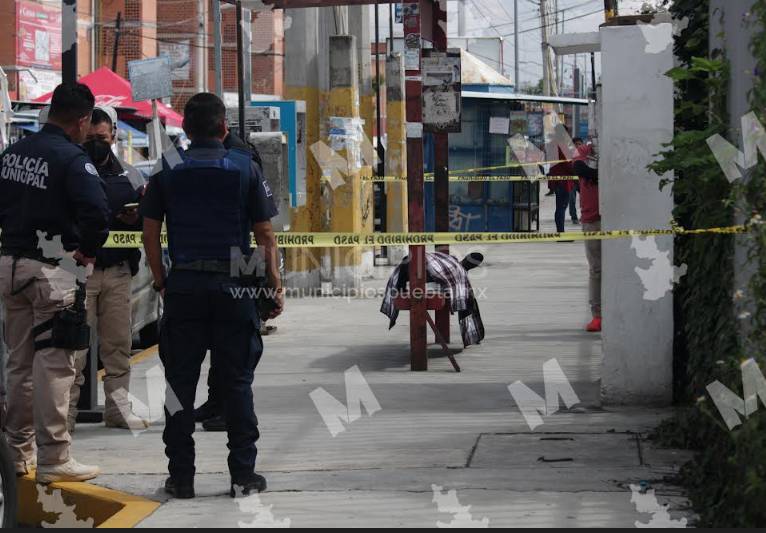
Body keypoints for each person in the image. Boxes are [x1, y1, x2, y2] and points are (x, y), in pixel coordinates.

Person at [142, 92, 282, 499]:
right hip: (234, 284)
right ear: (224, 128)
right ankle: (242, 476)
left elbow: (150, 230)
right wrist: (272, 285)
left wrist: (161, 278)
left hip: (183, 285)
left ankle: (181, 478)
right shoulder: (244, 166)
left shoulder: (167, 165)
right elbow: (265, 236)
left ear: (185, 129)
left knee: (179, 385)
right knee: (237, 382)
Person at [0, 83, 110, 483]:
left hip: (10, 267)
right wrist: (87, 251)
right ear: (82, 120)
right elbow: (98, 212)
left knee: (19, 363)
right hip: (51, 271)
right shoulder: (70, 159)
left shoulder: (12, 155)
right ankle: (54, 458)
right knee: (55, 365)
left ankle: (16, 454)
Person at [68, 106, 149, 432]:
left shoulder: (130, 174)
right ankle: (67, 416)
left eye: (101, 138)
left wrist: (135, 217)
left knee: (118, 345)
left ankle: (117, 409)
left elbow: (149, 217)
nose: (96, 144)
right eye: (90, 138)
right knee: (72, 348)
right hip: (78, 272)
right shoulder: (71, 170)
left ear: (114, 135)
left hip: (116, 270)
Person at [194, 130, 266, 433]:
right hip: (237, 253)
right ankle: (216, 401)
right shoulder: (227, 155)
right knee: (221, 337)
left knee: (233, 342)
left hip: (240, 253)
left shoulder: (241, 156)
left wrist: (267, 283)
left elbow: (261, 225)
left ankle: (227, 407)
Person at [573, 141, 601, 333]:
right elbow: (579, 167)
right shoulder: (586, 149)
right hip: (592, 218)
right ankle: (598, 314)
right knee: (597, 269)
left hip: (618, 220)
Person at [547, 127, 575, 234]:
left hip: (556, 180)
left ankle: (560, 231)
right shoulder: (562, 145)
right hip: (563, 180)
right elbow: (569, 165)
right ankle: (561, 233)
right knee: (562, 207)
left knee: (559, 206)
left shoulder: (552, 144)